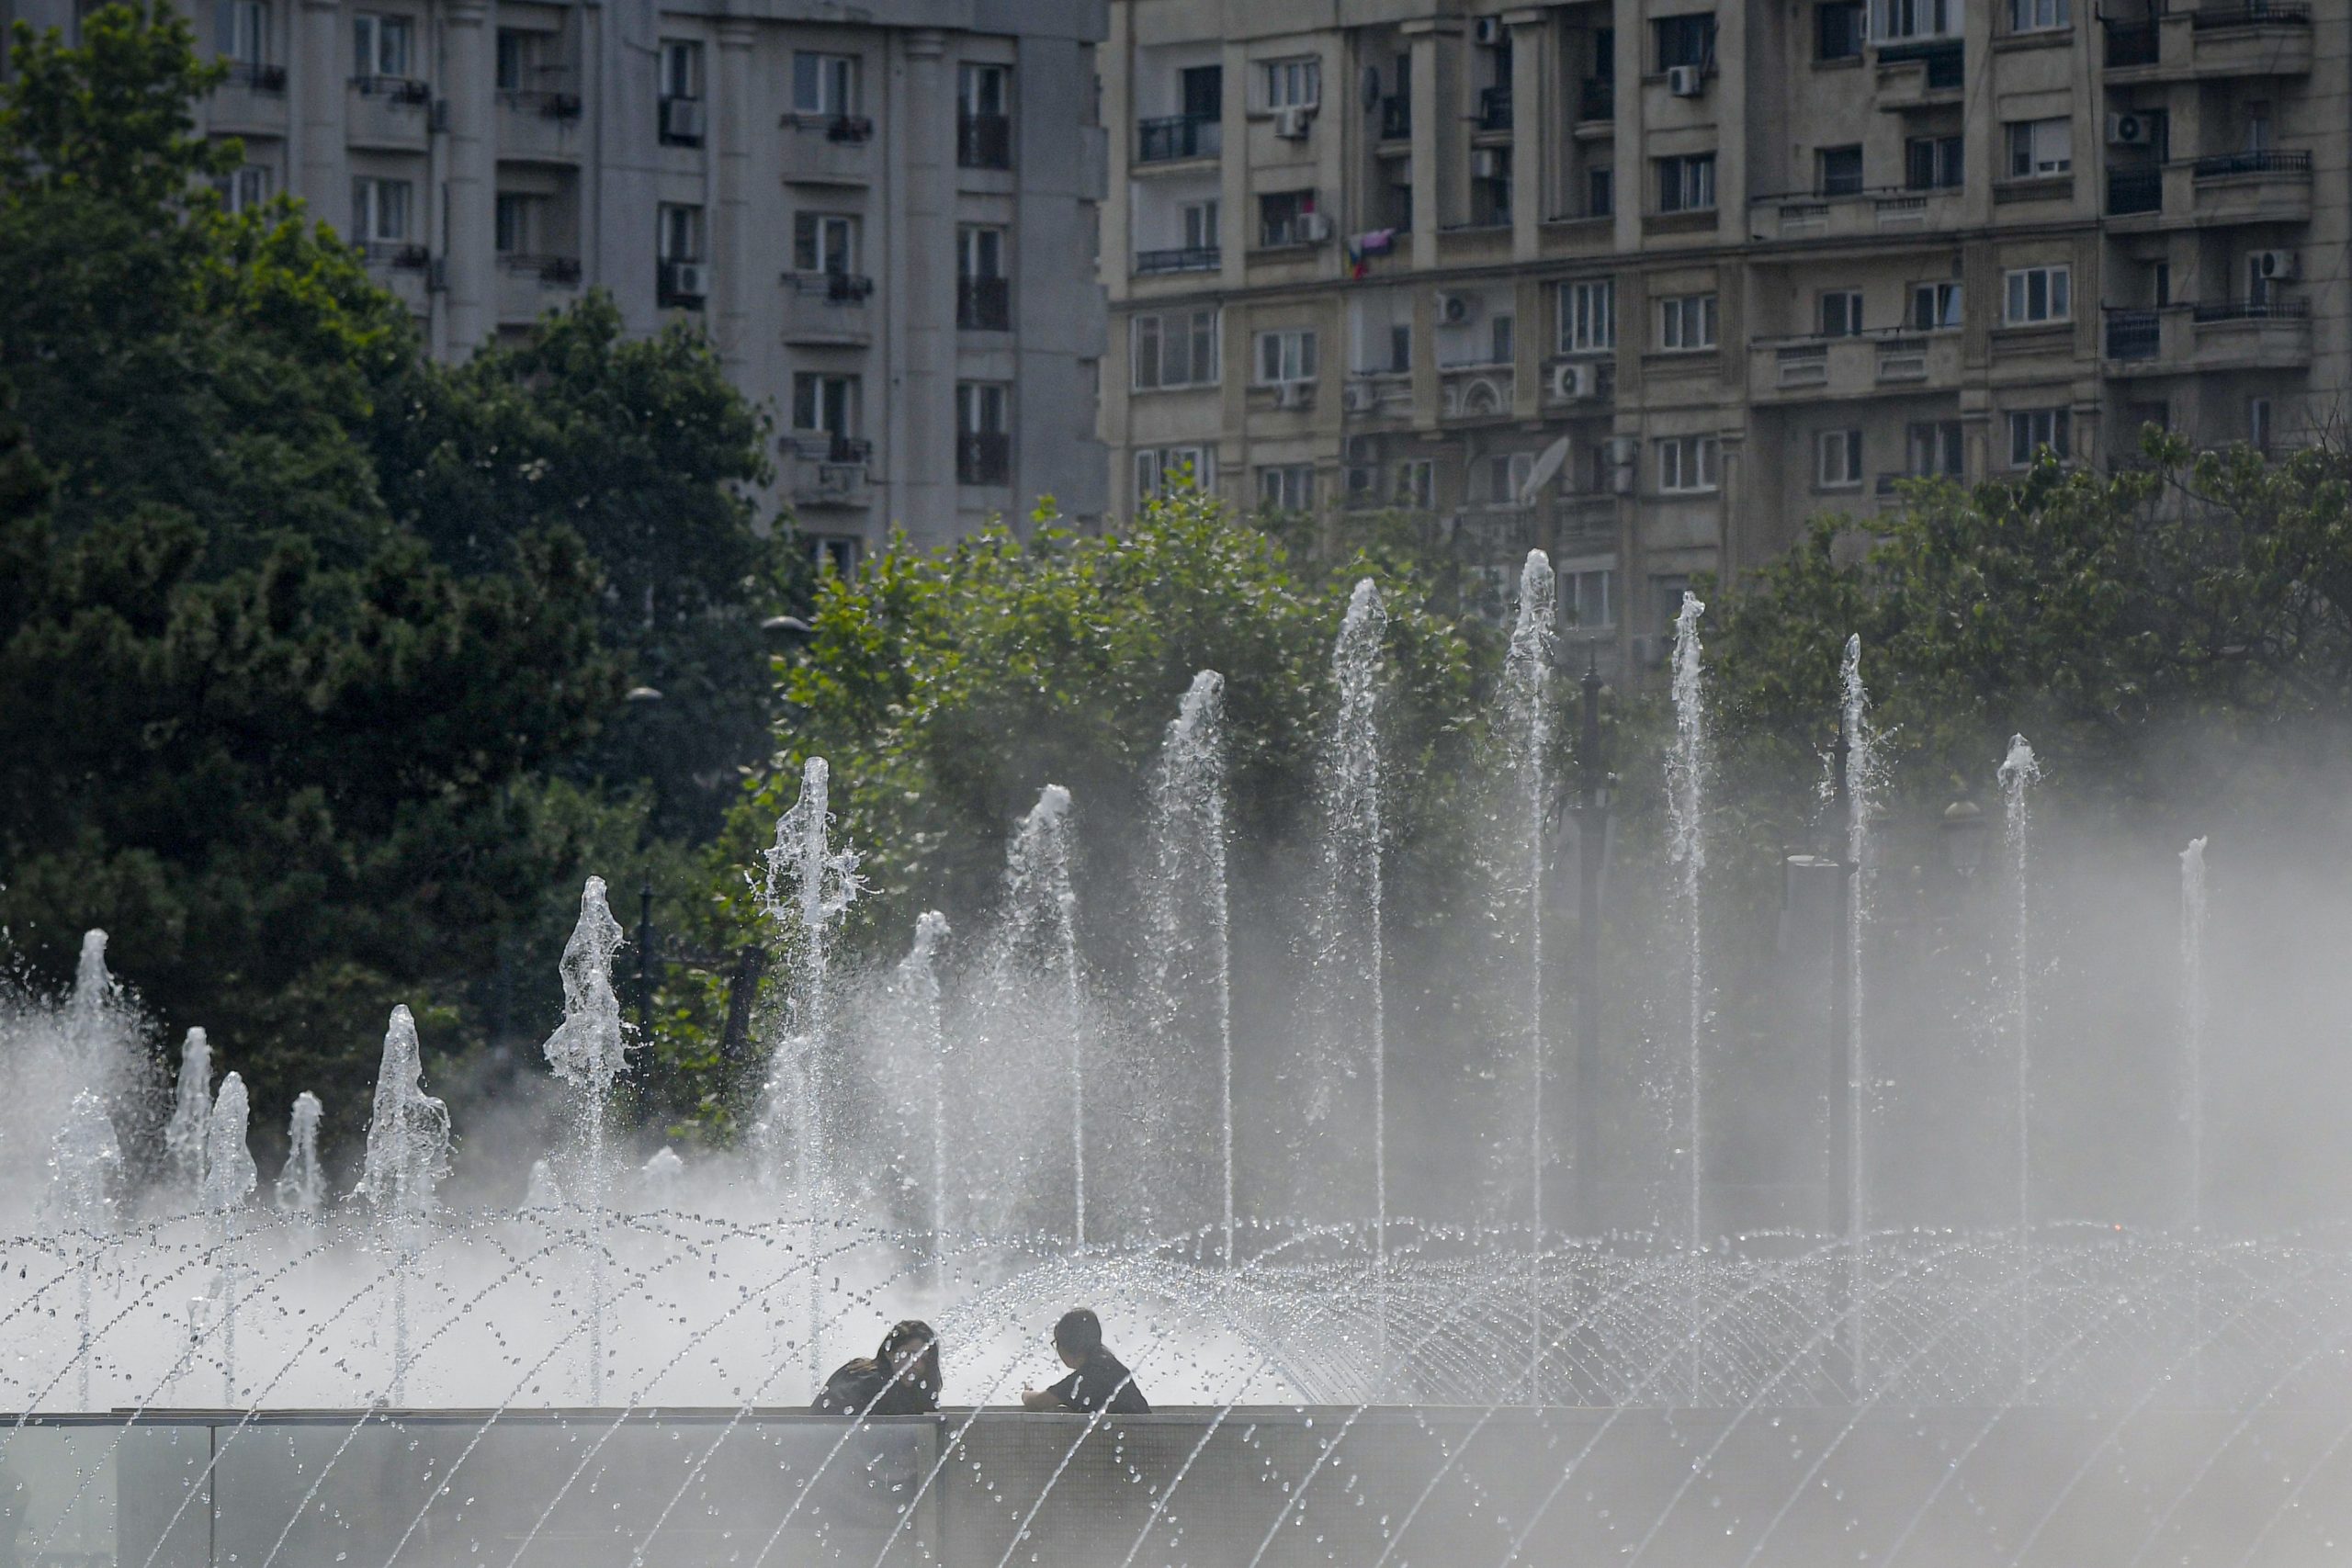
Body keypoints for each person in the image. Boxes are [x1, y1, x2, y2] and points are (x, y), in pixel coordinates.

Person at [1021, 1307, 1149, 1415]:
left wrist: (1026, 1393)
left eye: (1056, 1343)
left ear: (1067, 1345)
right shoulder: (1115, 1368)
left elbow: (1038, 1402)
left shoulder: (1084, 1379)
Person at [811, 1319, 942, 1416]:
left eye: (924, 1360)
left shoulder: (909, 1391)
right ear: (889, 1353)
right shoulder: (871, 1382)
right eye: (909, 1355)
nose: (917, 1365)